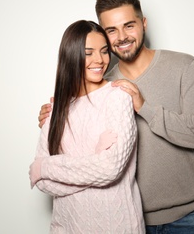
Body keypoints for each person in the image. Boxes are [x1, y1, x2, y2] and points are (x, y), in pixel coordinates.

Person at [37, 0, 194, 234]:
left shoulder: (183, 66)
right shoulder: (100, 84)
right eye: (111, 30)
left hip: (186, 218)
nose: (121, 37)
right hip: (128, 219)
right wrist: (58, 117)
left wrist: (145, 108)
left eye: (129, 25)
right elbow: (85, 155)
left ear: (143, 24)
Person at [29, 20, 145, 233]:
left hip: (115, 226)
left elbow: (111, 169)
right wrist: (94, 162)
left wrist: (45, 167)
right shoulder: (57, 108)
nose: (100, 60)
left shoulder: (117, 97)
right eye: (88, 52)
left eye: (103, 51)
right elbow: (44, 184)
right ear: (71, 56)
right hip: (66, 227)